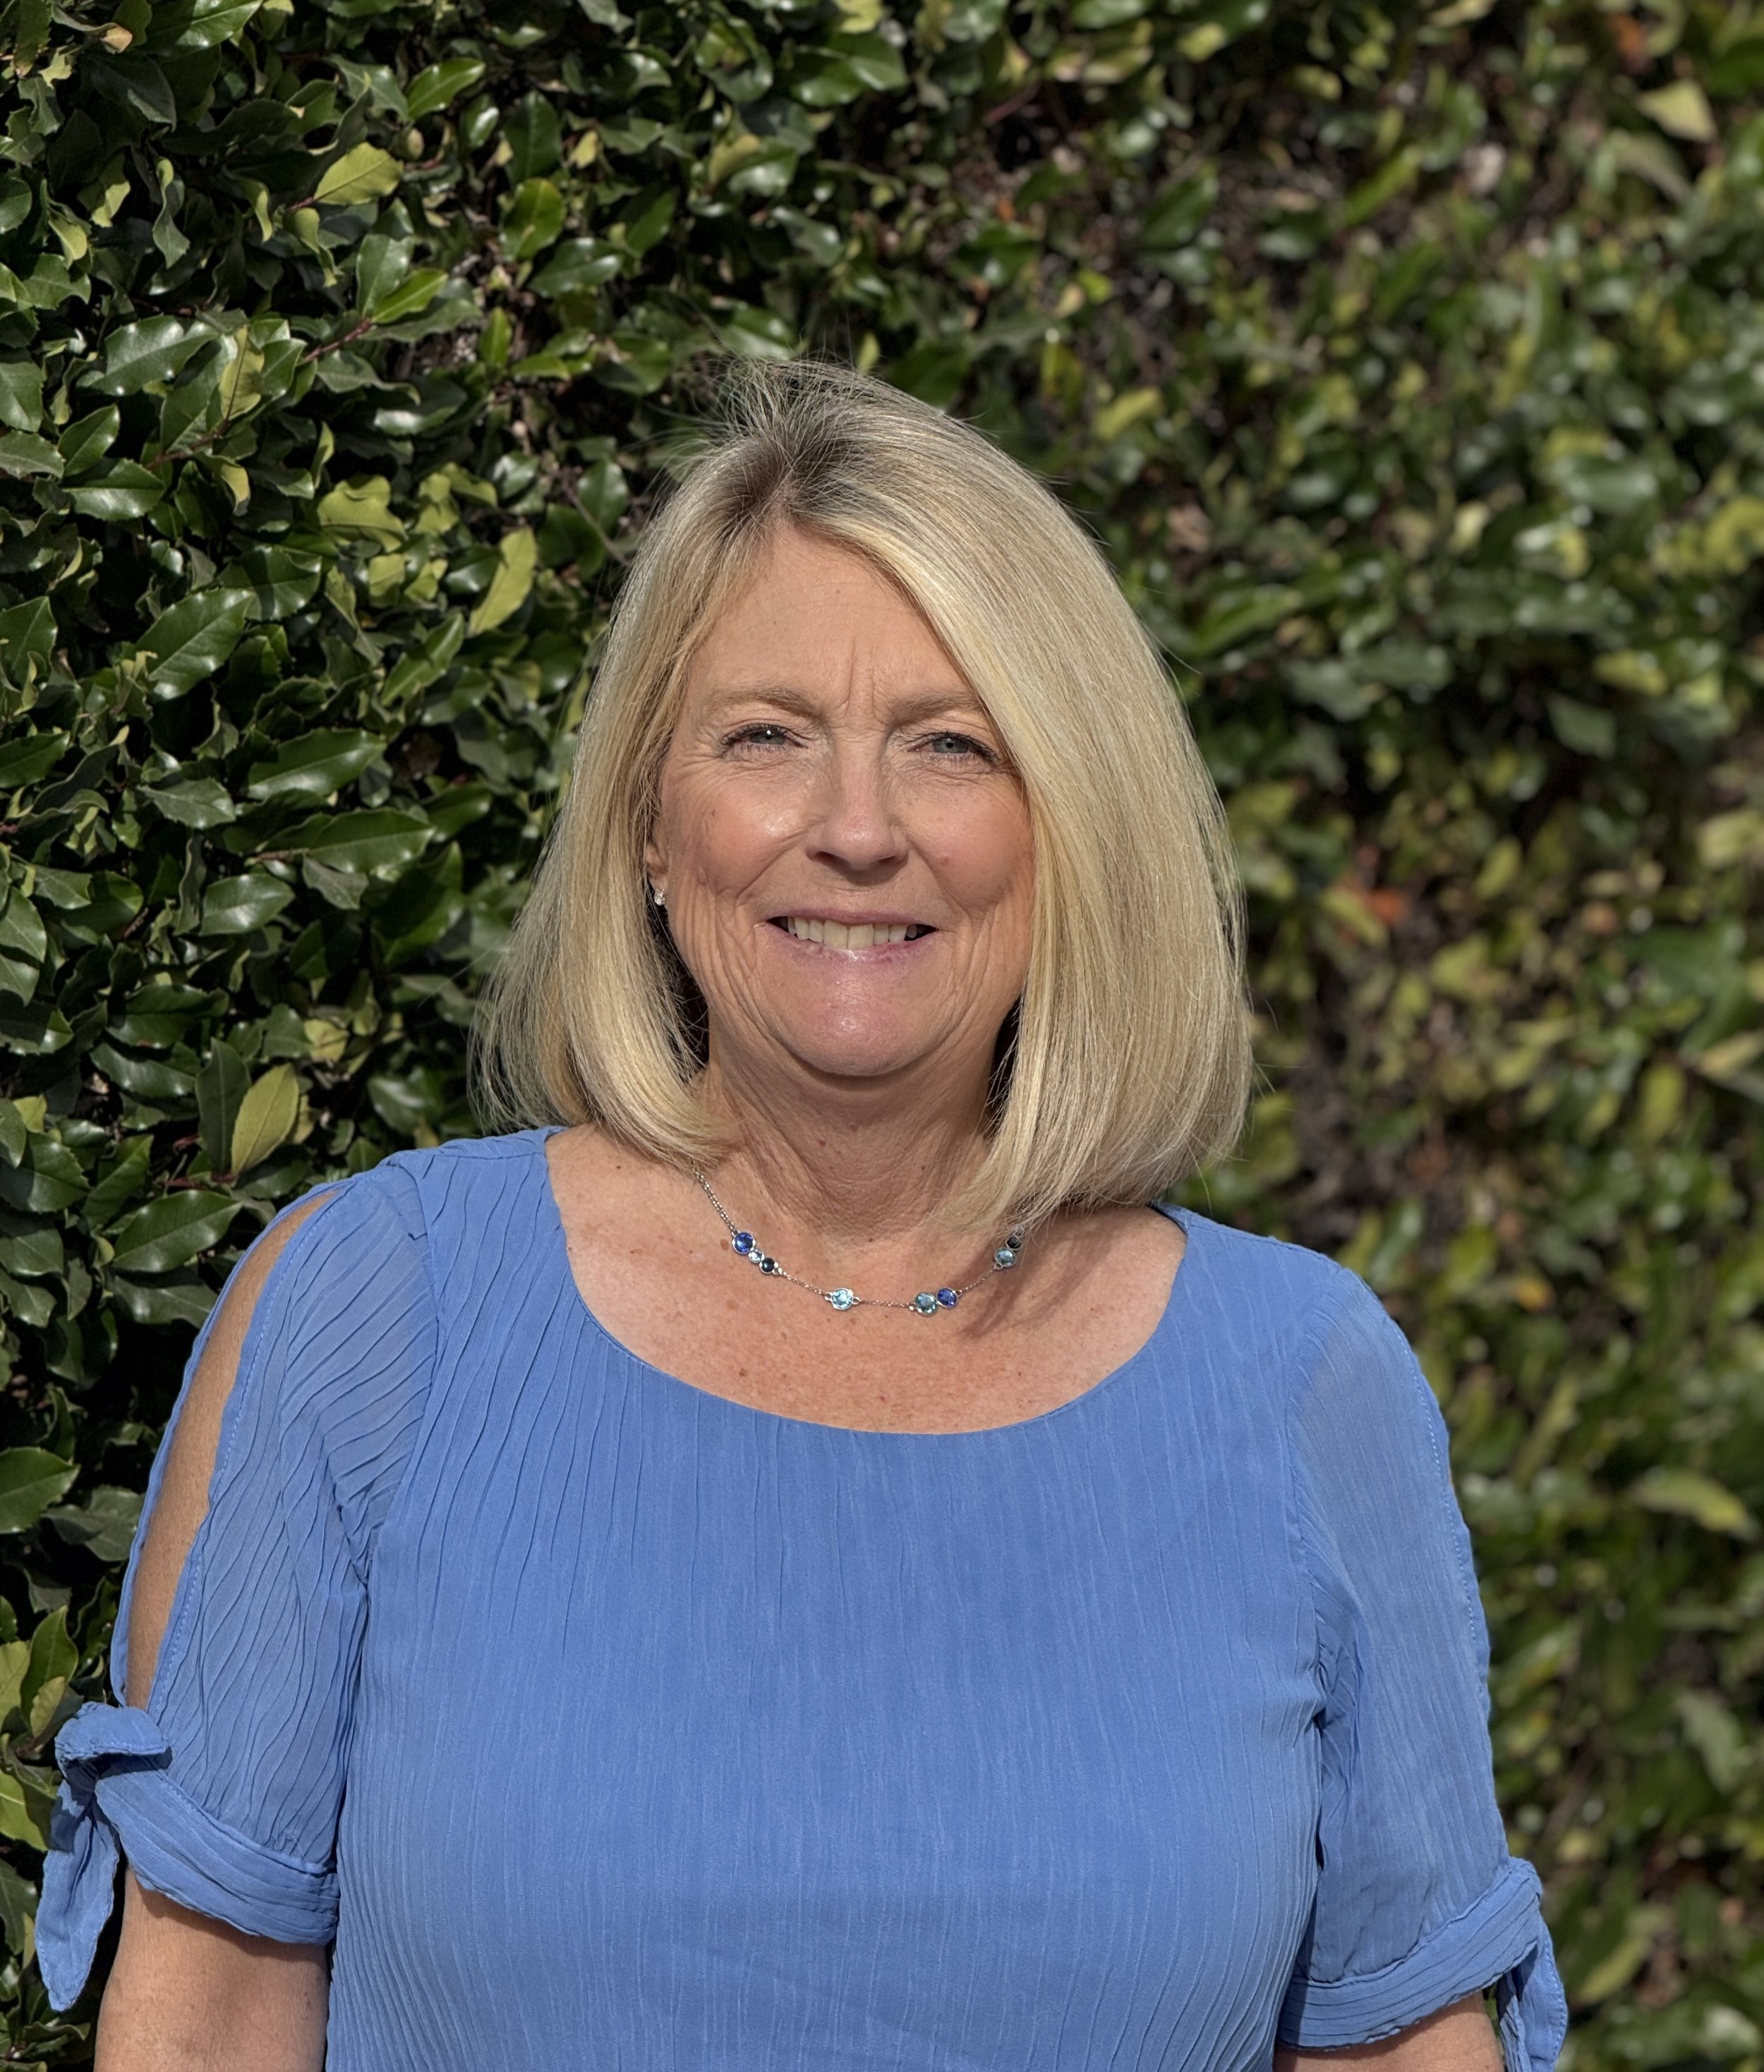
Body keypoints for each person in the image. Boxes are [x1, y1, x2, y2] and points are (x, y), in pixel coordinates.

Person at [40, 363, 1566, 2072]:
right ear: (648, 823)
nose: (855, 829)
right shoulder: (381, 1313)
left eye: (950, 744)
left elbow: (1396, 2048)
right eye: (765, 736)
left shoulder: (1300, 1386)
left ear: (1066, 827)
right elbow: (208, 2021)